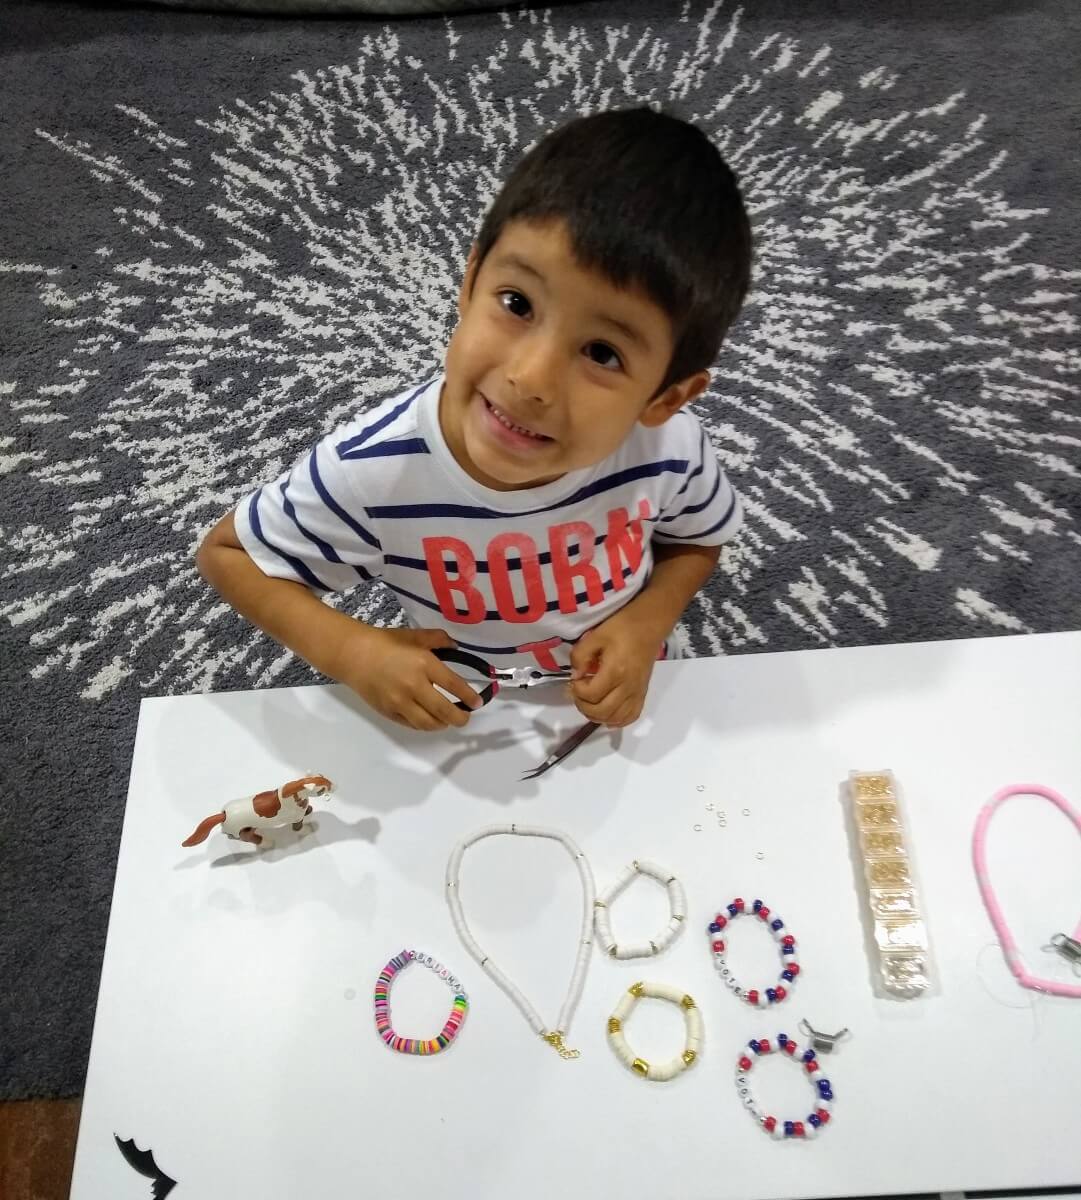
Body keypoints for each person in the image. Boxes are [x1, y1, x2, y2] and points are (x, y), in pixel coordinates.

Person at [197, 106, 752, 732]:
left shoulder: (669, 448)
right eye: (517, 303)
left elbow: (699, 538)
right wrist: (353, 652)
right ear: (470, 281)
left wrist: (646, 620)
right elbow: (228, 554)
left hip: (625, 704)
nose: (530, 378)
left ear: (665, 398)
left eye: (602, 352)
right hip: (461, 717)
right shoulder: (375, 471)